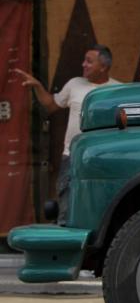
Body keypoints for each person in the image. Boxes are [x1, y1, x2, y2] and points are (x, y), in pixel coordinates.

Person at [14, 44, 120, 222]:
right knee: (66, 199)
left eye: (89, 61)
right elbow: (51, 105)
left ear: (104, 67)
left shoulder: (118, 90)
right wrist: (37, 86)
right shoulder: (74, 84)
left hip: (101, 157)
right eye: (84, 60)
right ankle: (65, 237)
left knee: (100, 201)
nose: (83, 64)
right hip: (71, 155)